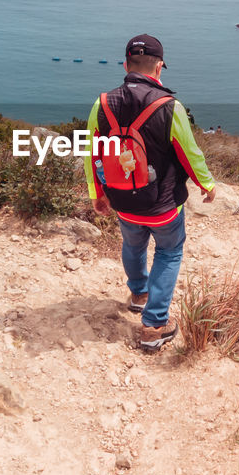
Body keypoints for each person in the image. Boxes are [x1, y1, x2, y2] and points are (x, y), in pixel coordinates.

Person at [85, 34, 217, 350]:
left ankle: (139, 294)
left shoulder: (102, 103)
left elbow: (93, 152)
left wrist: (97, 194)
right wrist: (206, 185)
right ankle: (154, 325)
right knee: (169, 252)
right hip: (163, 205)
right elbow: (190, 153)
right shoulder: (170, 107)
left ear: (125, 64)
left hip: (122, 201)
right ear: (159, 68)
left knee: (133, 245)